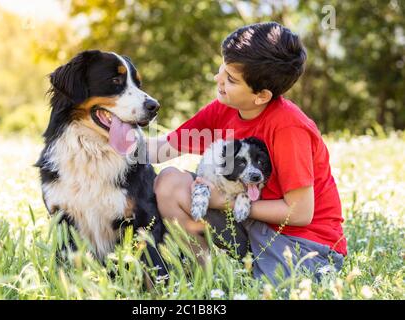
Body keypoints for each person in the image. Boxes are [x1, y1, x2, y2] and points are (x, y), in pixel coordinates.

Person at [146, 22, 346, 283]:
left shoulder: (288, 127)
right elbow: (161, 150)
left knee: (272, 291)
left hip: (303, 243)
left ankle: (265, 273)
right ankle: (199, 279)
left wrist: (223, 201)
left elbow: (299, 213)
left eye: (230, 79)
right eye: (222, 69)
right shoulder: (223, 109)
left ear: (261, 95)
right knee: (170, 183)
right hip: (247, 222)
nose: (218, 79)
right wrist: (101, 137)